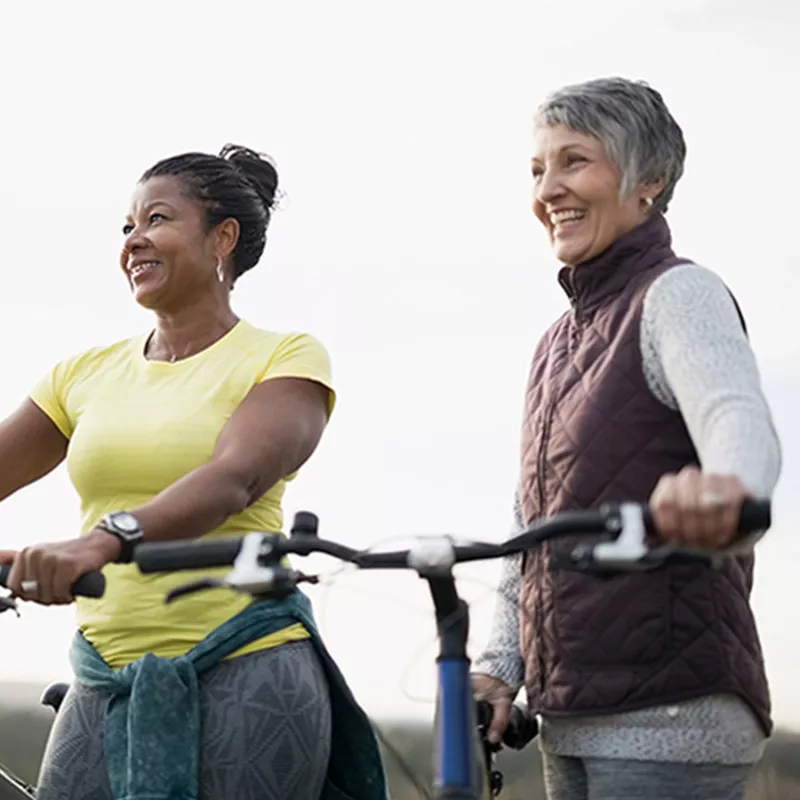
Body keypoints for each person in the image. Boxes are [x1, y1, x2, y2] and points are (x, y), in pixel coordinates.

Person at [0, 145, 386, 800]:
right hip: (102, 670)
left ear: (222, 239)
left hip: (245, 659)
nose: (134, 240)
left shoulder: (284, 357)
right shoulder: (83, 373)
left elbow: (234, 477)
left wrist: (101, 540)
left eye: (156, 219)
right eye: (126, 227)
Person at [471, 77, 781, 800]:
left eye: (575, 161)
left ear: (649, 182)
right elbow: (534, 525)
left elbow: (737, 416)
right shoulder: (555, 344)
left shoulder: (678, 294)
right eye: (538, 169)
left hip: (671, 717)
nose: (549, 188)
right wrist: (499, 665)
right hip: (570, 719)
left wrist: (729, 490)